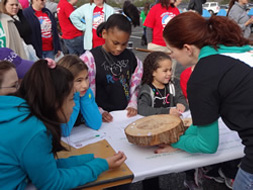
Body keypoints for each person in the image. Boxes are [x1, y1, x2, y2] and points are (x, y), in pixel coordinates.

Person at [156, 12, 253, 190]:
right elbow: (205, 120)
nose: (171, 56)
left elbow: (207, 145)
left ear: (187, 48)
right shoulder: (237, 51)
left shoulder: (201, 77)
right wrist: (184, 136)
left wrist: (175, 142)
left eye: (171, 50)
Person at [0, 59, 126, 189]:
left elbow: (45, 166)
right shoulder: (35, 131)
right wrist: (101, 166)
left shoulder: (20, 116)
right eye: (72, 99)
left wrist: (88, 159)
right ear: (55, 102)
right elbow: (52, 183)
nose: (73, 105)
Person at [80, 13, 142, 122]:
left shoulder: (130, 57)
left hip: (125, 115)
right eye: (115, 43)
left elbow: (135, 83)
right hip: (102, 117)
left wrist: (133, 103)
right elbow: (83, 92)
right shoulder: (90, 60)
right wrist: (98, 111)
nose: (119, 48)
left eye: (124, 44)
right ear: (104, 34)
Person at [57, 55, 102, 137]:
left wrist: (85, 99)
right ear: (65, 81)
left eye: (86, 78)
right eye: (79, 80)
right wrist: (74, 99)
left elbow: (96, 124)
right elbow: (64, 131)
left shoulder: (86, 93)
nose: (85, 85)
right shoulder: (60, 97)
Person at [138, 51, 187, 117]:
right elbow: (142, 109)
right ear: (153, 72)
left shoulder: (172, 86)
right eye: (165, 71)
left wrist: (181, 104)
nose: (169, 73)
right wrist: (166, 111)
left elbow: (180, 98)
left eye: (170, 70)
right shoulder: (147, 90)